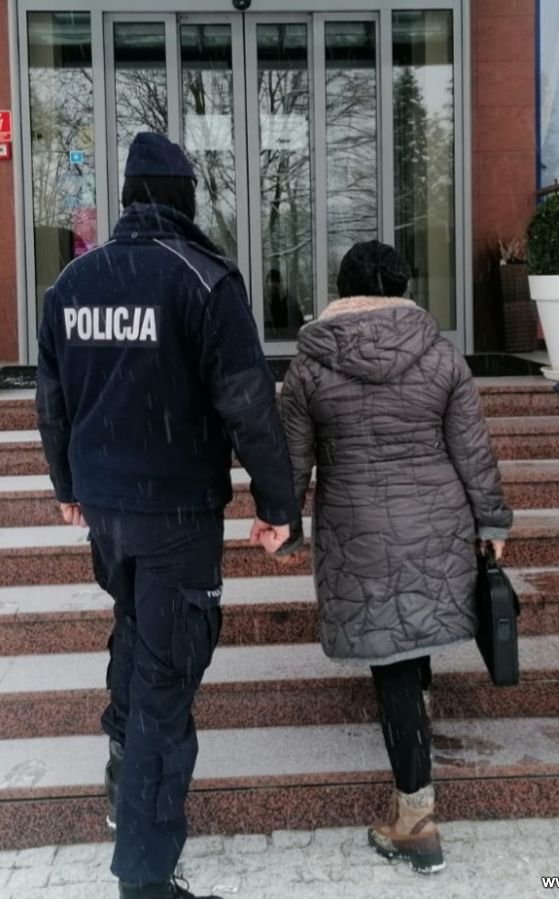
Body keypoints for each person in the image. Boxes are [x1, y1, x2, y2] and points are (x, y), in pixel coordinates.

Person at [36, 132, 299, 899]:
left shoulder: (73, 284)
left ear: (128, 199)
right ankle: (146, 875)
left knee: (136, 634)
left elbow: (52, 400)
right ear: (184, 198)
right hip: (176, 514)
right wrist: (279, 505)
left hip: (109, 511)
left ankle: (123, 765)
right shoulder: (203, 279)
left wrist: (66, 483)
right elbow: (249, 405)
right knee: (166, 679)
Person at [277, 240, 512, 874]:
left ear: (343, 288)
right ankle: (417, 747)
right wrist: (492, 518)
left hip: (358, 527)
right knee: (412, 641)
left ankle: (416, 821)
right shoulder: (440, 354)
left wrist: (285, 526)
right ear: (405, 287)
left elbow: (292, 461)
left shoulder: (309, 366)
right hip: (436, 519)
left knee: (394, 664)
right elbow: (472, 448)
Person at [265, 267, 304, 337]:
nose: (272, 290)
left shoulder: (291, 304)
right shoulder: (264, 306)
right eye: (271, 285)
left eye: (275, 286)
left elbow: (297, 329)